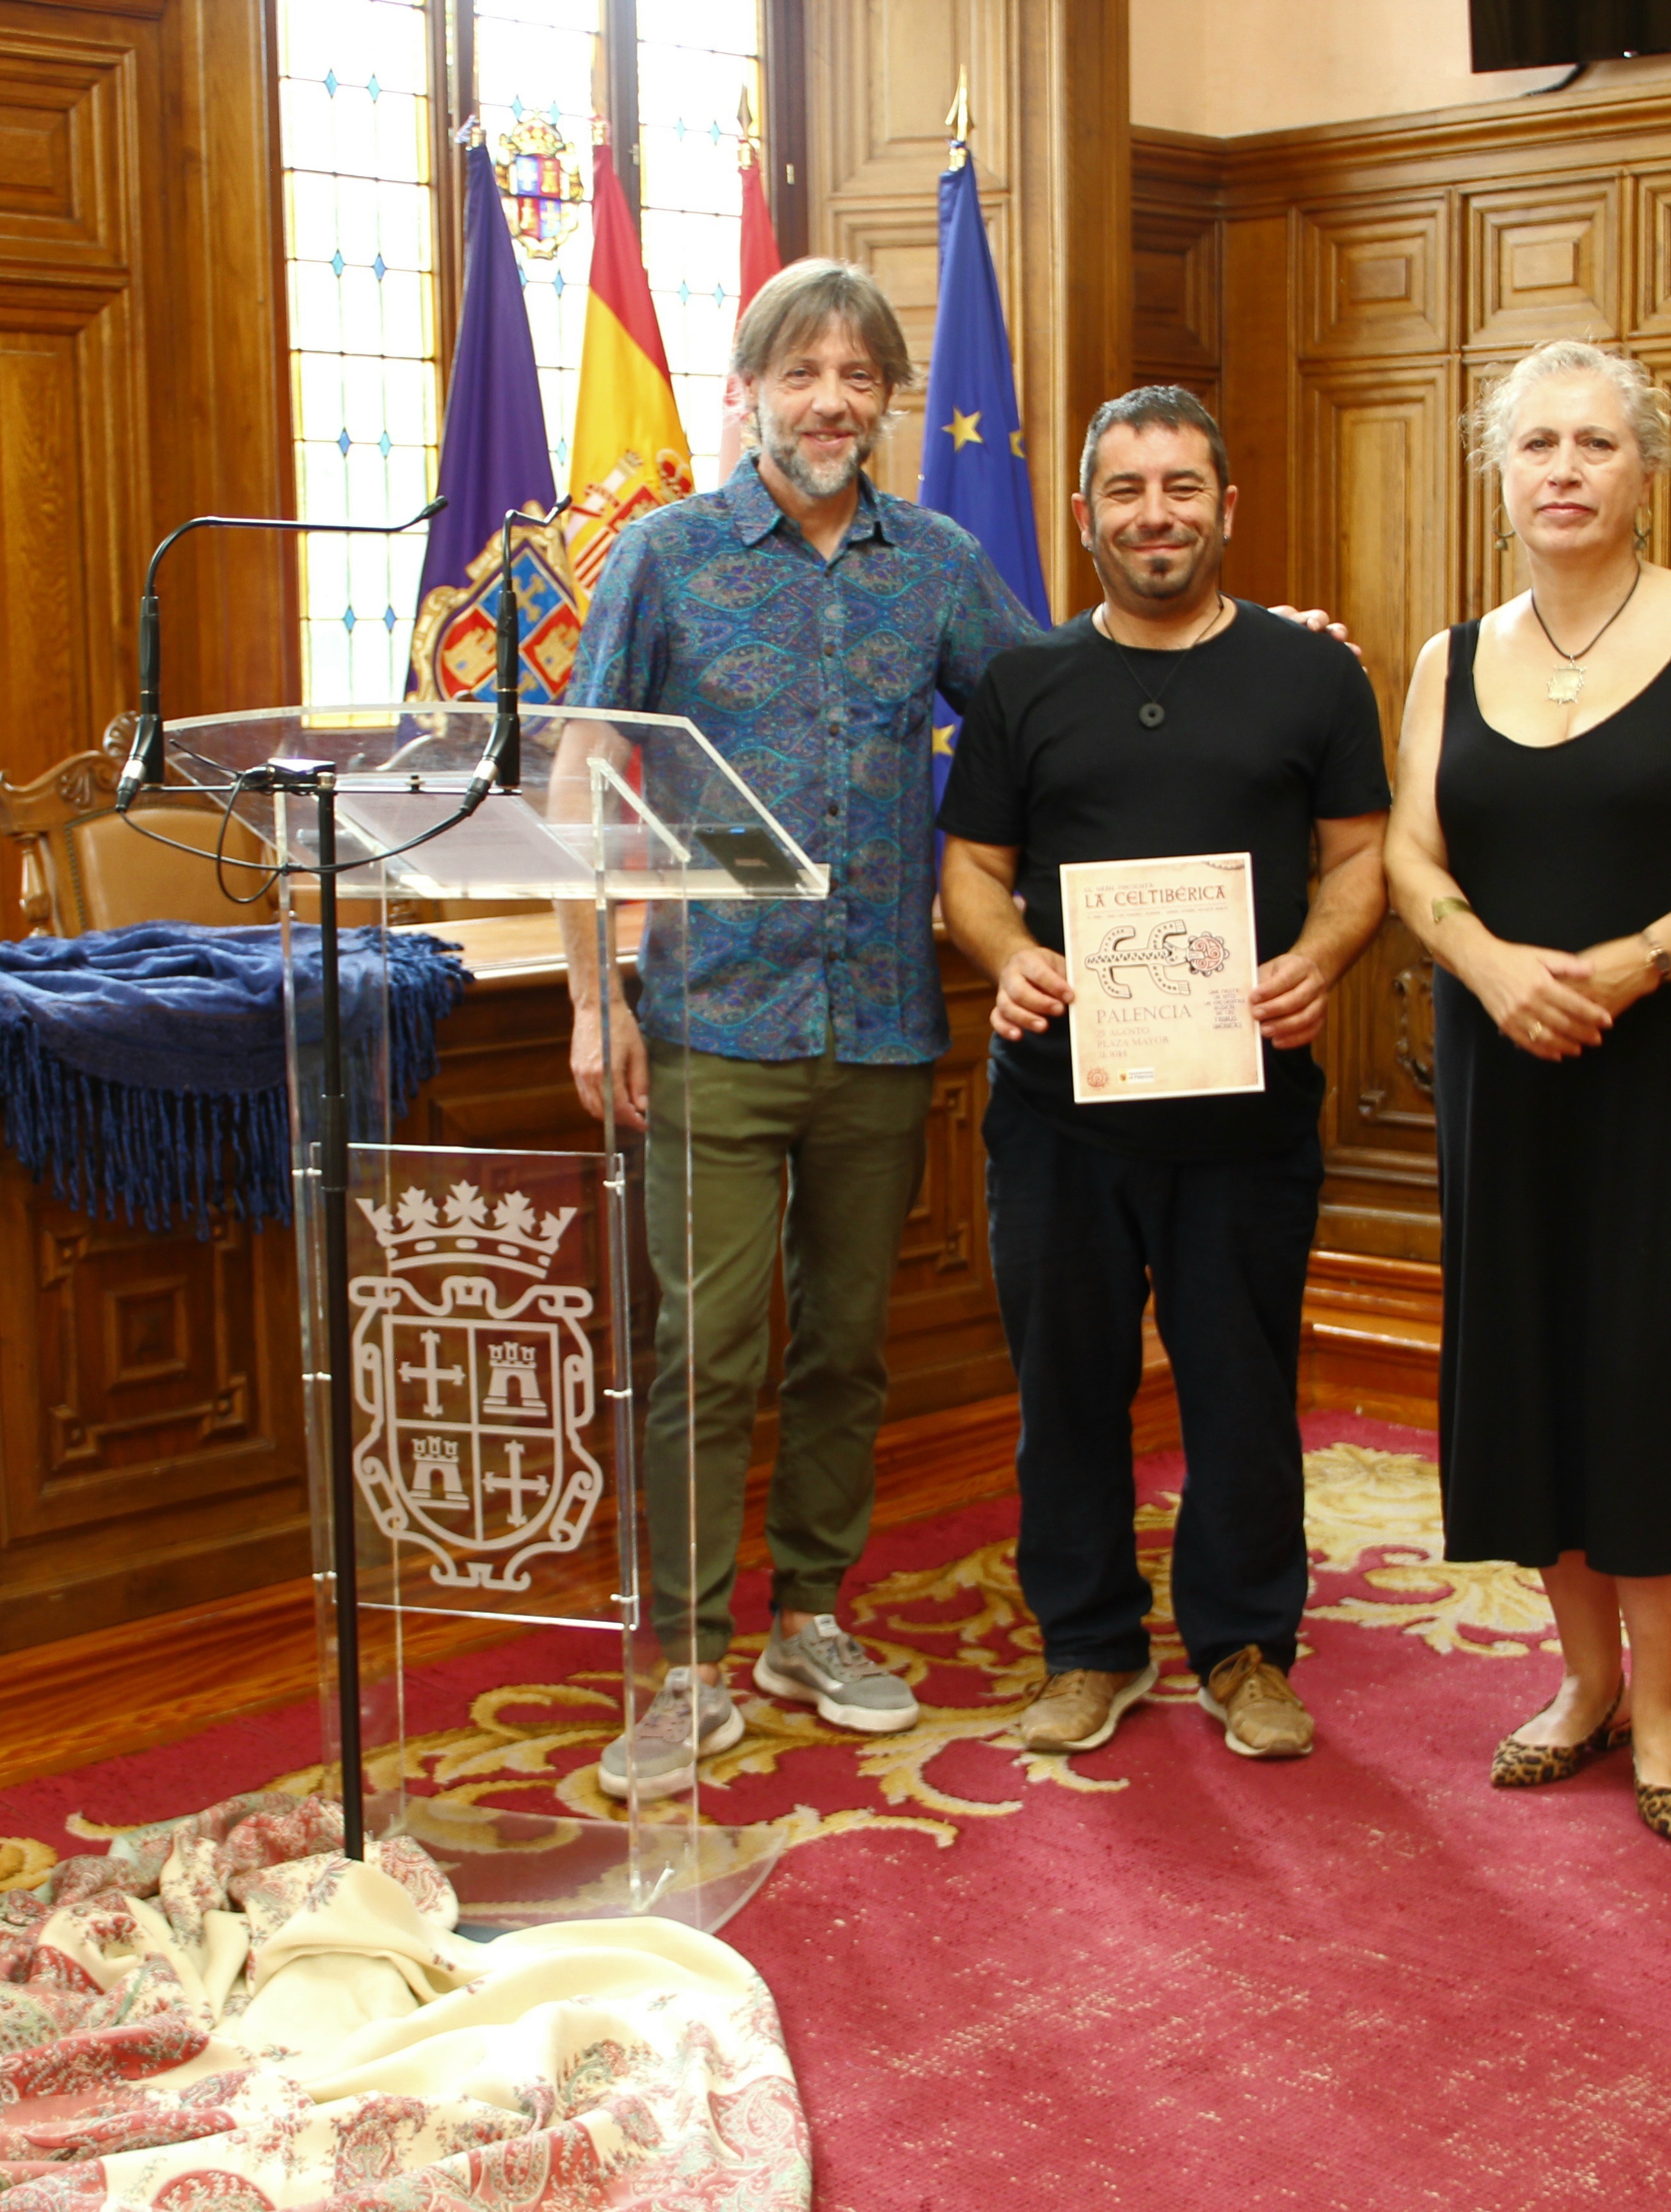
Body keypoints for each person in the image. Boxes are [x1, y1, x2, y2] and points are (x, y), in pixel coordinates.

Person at [556, 259, 1046, 1799]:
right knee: (702, 1351)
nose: (830, 399)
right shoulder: (665, 558)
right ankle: (687, 1660)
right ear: (747, 391)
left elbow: (1053, 714)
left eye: (859, 375)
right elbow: (584, 781)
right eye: (801, 372)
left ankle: (810, 1621)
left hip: (886, 1030)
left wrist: (1238, 652)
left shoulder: (943, 564)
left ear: (892, 401)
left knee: (844, 1347)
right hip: (707, 1020)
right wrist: (594, 998)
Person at [1382, 338, 1671, 1843]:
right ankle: (1580, 1684)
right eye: (1538, 447)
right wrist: (1492, 968)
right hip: (1504, 1061)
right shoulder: (1452, 655)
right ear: (1500, 474)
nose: (1564, 472)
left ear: (1648, 469)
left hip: (1664, 1060)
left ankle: (1669, 1702)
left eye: (1595, 446)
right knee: (1527, 1368)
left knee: (1647, 1364)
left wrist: (1634, 964)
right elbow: (1408, 857)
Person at [938, 386, 1389, 1763]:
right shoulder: (1024, 683)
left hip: (1246, 1106)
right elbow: (973, 873)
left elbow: (1363, 857)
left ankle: (1247, 1649)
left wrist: (1321, 956)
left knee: (1241, 1385)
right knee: (1067, 1386)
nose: (1155, 514)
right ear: (1085, 516)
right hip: (1061, 1111)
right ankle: (1088, 1647)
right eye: (1126, 490)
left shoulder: (1314, 676)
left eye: (1181, 487)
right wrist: (1007, 957)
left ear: (1226, 507)